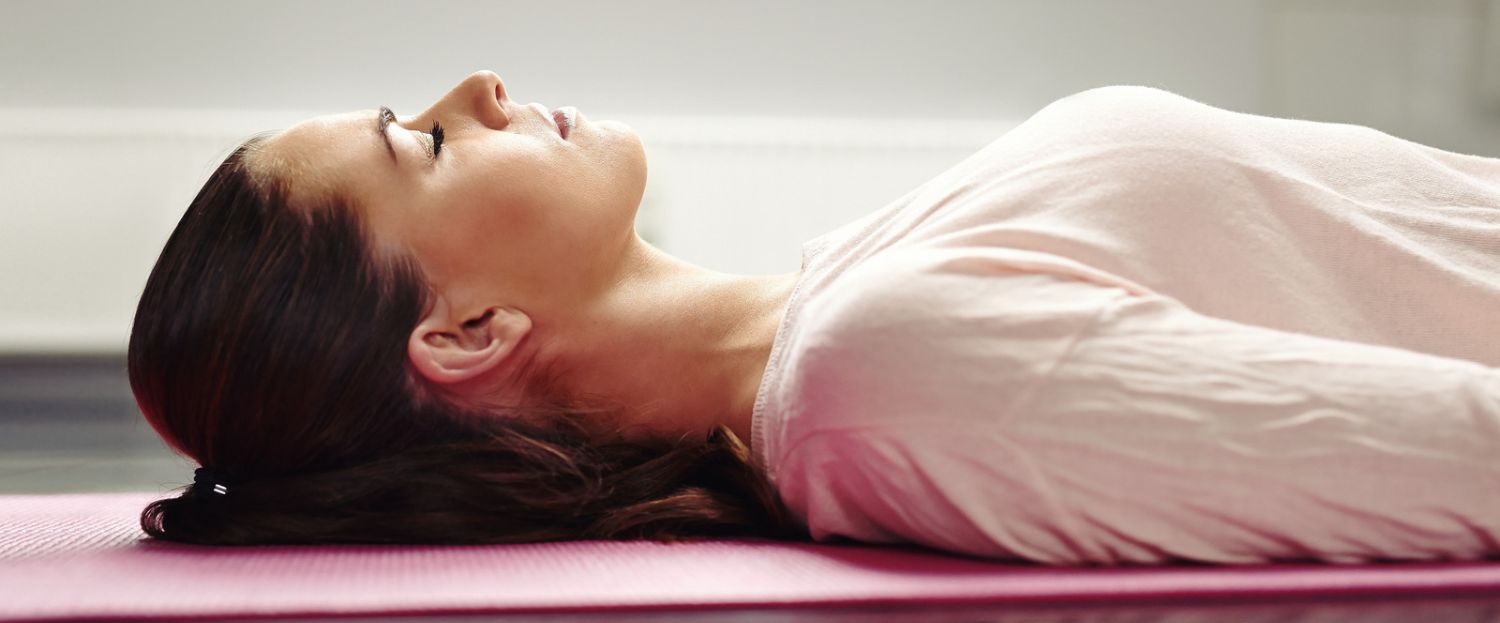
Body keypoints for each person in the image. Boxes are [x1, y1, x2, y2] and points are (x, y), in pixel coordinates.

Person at [131, 71, 1500, 565]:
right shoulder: (886, 380)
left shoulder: (843, 289)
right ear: (471, 331)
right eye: (419, 143)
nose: (478, 83)